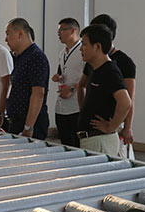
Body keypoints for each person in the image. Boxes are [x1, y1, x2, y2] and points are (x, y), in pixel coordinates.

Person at [77, 14, 136, 155]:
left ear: (97, 46)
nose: (81, 48)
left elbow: (126, 102)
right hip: (92, 139)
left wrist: (111, 127)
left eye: (84, 44)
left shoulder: (110, 71)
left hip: (100, 141)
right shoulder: (95, 68)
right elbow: (81, 86)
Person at [5, 18, 50, 139]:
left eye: (8, 34)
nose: (6, 39)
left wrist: (28, 127)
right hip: (17, 120)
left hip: (30, 123)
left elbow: (38, 93)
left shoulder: (36, 57)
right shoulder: (20, 57)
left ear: (20, 34)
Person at [52, 18, 84, 147]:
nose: (58, 34)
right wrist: (58, 77)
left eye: (62, 30)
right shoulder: (62, 53)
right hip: (61, 106)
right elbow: (63, 72)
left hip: (76, 107)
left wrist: (72, 89)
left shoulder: (83, 51)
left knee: (76, 144)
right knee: (65, 144)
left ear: (72, 31)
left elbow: (90, 78)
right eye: (58, 31)